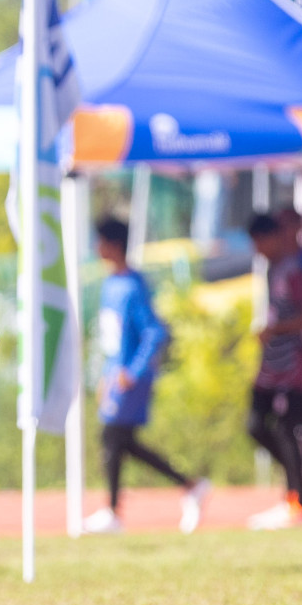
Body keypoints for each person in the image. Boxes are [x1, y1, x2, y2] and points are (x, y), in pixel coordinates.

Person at [82, 217, 208, 535]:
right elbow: (111, 339)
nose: (97, 248)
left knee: (112, 437)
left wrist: (133, 372)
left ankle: (112, 511)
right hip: (114, 375)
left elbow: (154, 332)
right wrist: (105, 375)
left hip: (130, 379)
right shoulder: (111, 283)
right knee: (123, 442)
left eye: (101, 241)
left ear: (113, 244)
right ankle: (190, 486)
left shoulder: (133, 285)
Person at [244, 213, 302, 530]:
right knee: (256, 423)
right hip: (272, 364)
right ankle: (297, 487)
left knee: (287, 428)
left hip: (294, 366)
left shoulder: (297, 268)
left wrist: (276, 329)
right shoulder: (275, 268)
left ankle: (296, 499)